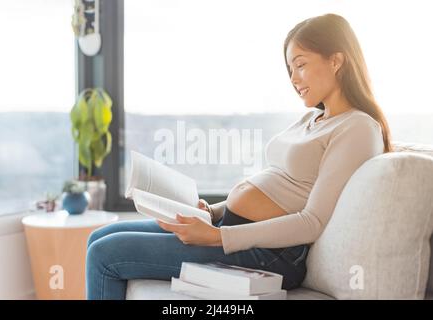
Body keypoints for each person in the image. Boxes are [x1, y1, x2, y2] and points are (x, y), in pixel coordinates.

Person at [85, 13, 392, 300]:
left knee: (104, 255)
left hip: (272, 254)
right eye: (289, 70)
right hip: (232, 228)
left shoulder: (358, 128)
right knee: (100, 237)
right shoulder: (313, 119)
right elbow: (278, 184)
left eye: (300, 65)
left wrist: (217, 237)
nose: (294, 79)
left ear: (336, 60)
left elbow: (312, 222)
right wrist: (213, 212)